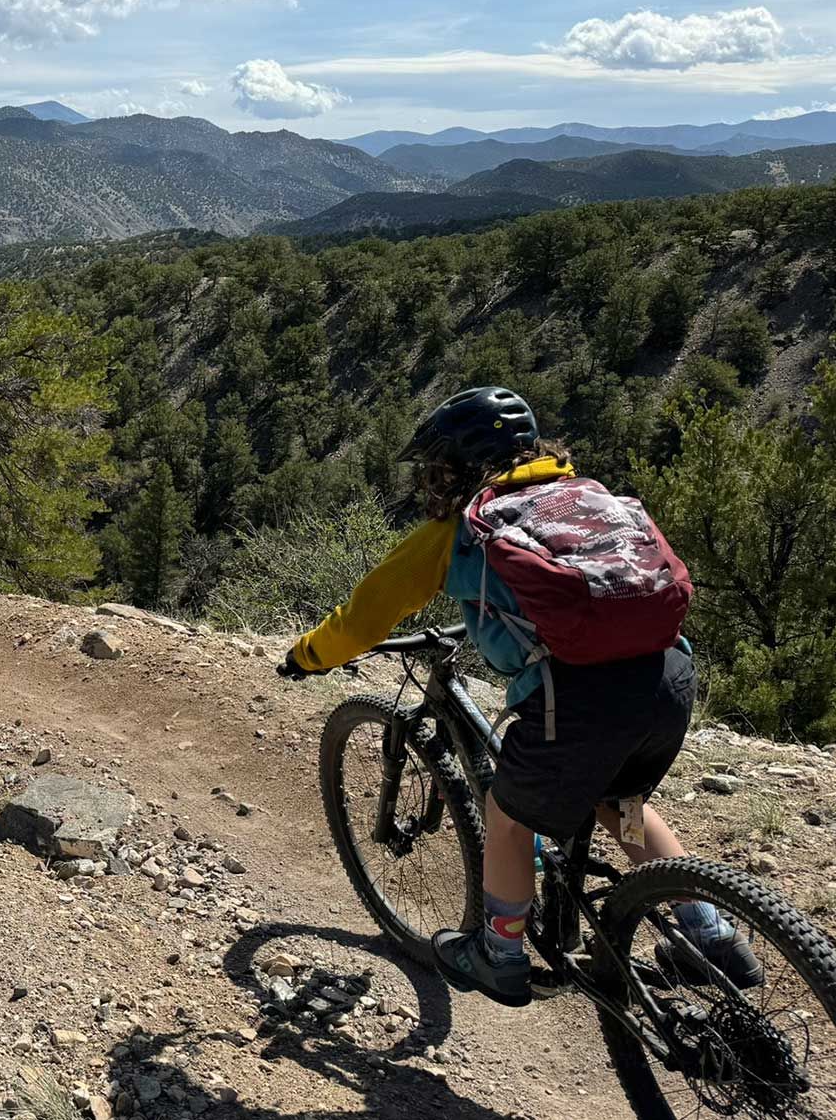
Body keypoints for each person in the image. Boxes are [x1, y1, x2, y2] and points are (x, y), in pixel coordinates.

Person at [278, 387, 760, 1007]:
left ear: (458, 465)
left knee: (507, 814)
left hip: (579, 702)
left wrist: (308, 655)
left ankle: (497, 953)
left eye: (436, 469)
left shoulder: (463, 530)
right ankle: (710, 932)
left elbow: (364, 620)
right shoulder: (586, 496)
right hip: (668, 677)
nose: (430, 483)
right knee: (622, 800)